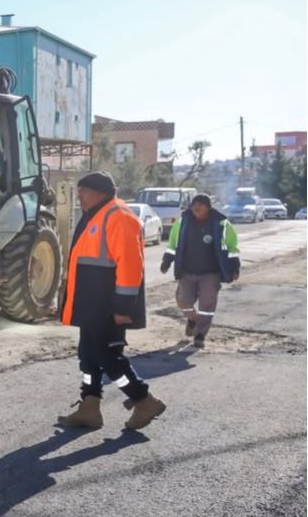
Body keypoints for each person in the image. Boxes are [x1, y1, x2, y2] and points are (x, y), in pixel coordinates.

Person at [57, 171, 166, 431]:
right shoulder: (96, 214)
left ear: (100, 192)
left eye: (83, 190)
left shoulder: (119, 216)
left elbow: (130, 266)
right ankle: (90, 407)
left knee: (109, 358)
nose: (79, 196)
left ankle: (143, 399)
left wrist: (122, 307)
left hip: (107, 306)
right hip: (90, 304)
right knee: (88, 356)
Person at [160, 193, 240, 348]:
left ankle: (200, 334)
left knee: (207, 305)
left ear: (208, 207)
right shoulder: (183, 221)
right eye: (194, 204)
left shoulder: (222, 224)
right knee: (183, 300)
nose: (196, 206)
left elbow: (232, 248)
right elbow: (172, 244)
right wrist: (167, 261)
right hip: (187, 271)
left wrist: (235, 267)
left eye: (200, 204)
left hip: (211, 273)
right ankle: (192, 319)